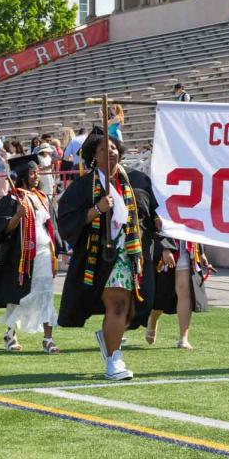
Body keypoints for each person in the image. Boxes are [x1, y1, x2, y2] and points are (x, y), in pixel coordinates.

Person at [57, 127, 159, 380]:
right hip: (101, 256)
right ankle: (114, 361)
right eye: (103, 149)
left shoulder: (138, 181)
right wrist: (96, 209)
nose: (110, 152)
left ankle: (108, 337)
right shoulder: (83, 187)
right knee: (117, 304)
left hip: (133, 255)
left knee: (131, 310)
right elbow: (67, 220)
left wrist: (160, 233)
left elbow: (155, 214)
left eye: (113, 147)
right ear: (94, 155)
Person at [0, 155, 63, 354]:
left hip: (44, 252)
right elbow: (2, 228)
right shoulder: (12, 199)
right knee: (17, 296)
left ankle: (48, 339)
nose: (36, 176)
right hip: (21, 256)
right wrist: (17, 216)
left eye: (37, 172)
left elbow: (51, 226)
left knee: (45, 293)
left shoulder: (42, 198)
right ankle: (10, 334)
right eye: (32, 173)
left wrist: (58, 248)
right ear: (24, 175)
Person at [147, 238, 211, 348]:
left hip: (186, 250)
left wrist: (201, 251)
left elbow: (196, 223)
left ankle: (183, 338)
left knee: (185, 292)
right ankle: (152, 319)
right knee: (162, 295)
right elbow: (159, 223)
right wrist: (165, 248)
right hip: (168, 246)